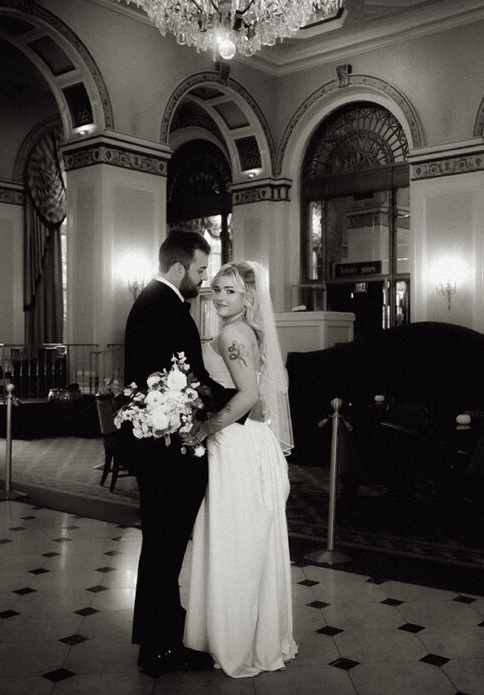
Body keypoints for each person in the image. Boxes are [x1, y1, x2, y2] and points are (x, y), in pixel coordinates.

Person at [121, 231, 234, 677]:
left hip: (159, 446)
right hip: (168, 452)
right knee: (164, 550)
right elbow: (190, 381)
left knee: (162, 549)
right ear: (179, 268)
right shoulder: (163, 306)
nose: (204, 281)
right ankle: (158, 648)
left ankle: (163, 635)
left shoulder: (152, 301)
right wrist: (241, 405)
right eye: (202, 270)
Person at [183, 261, 298, 678]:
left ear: (248, 298)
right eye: (217, 288)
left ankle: (239, 640)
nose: (220, 296)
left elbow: (248, 395)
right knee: (241, 543)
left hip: (239, 444)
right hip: (241, 441)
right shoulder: (234, 332)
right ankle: (246, 634)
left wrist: (203, 430)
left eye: (230, 290)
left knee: (238, 544)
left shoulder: (234, 333)